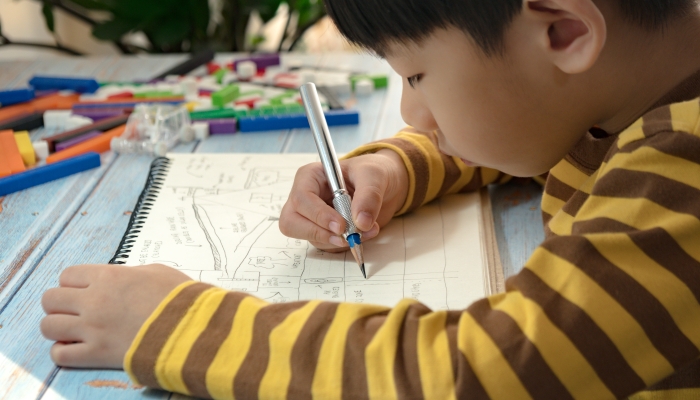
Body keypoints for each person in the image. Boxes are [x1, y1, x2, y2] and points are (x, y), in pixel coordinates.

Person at [40, 0, 700, 398]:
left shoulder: (679, 184)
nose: (411, 109)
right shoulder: (637, 91)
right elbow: (552, 138)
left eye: (417, 75)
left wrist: (179, 326)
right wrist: (396, 166)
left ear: (563, 33)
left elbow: (471, 376)